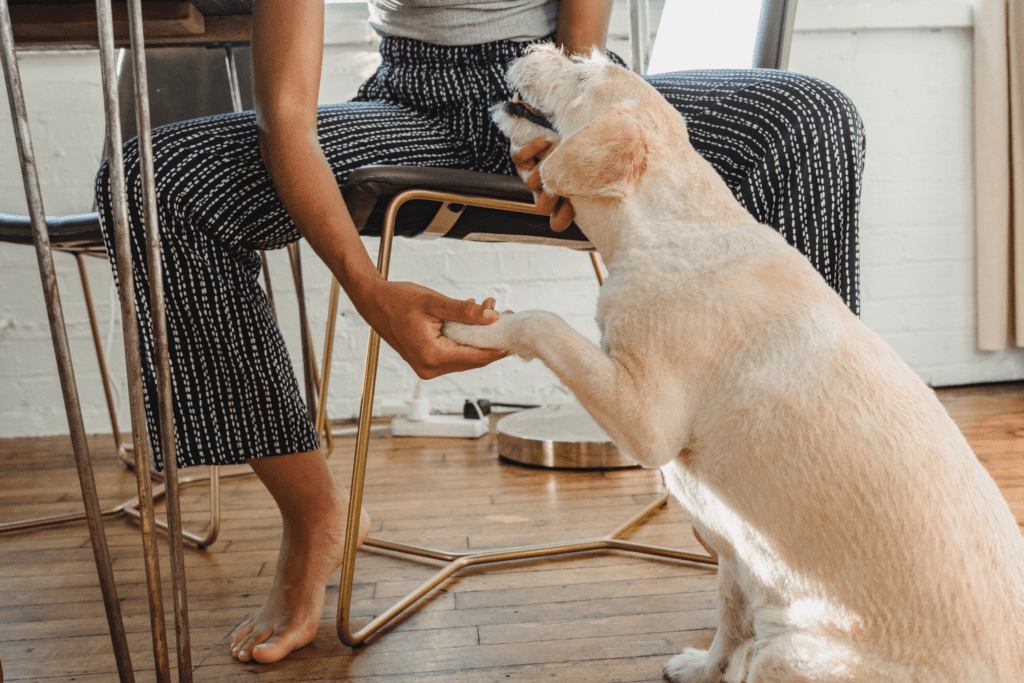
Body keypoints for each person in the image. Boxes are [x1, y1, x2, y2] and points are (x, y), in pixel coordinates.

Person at [95, 0, 864, 666]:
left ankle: (785, 518)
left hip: (559, 82)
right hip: (409, 105)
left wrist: (565, 119)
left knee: (810, 122)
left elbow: (577, 50)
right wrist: (367, 288)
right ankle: (313, 513)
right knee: (155, 183)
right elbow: (286, 117)